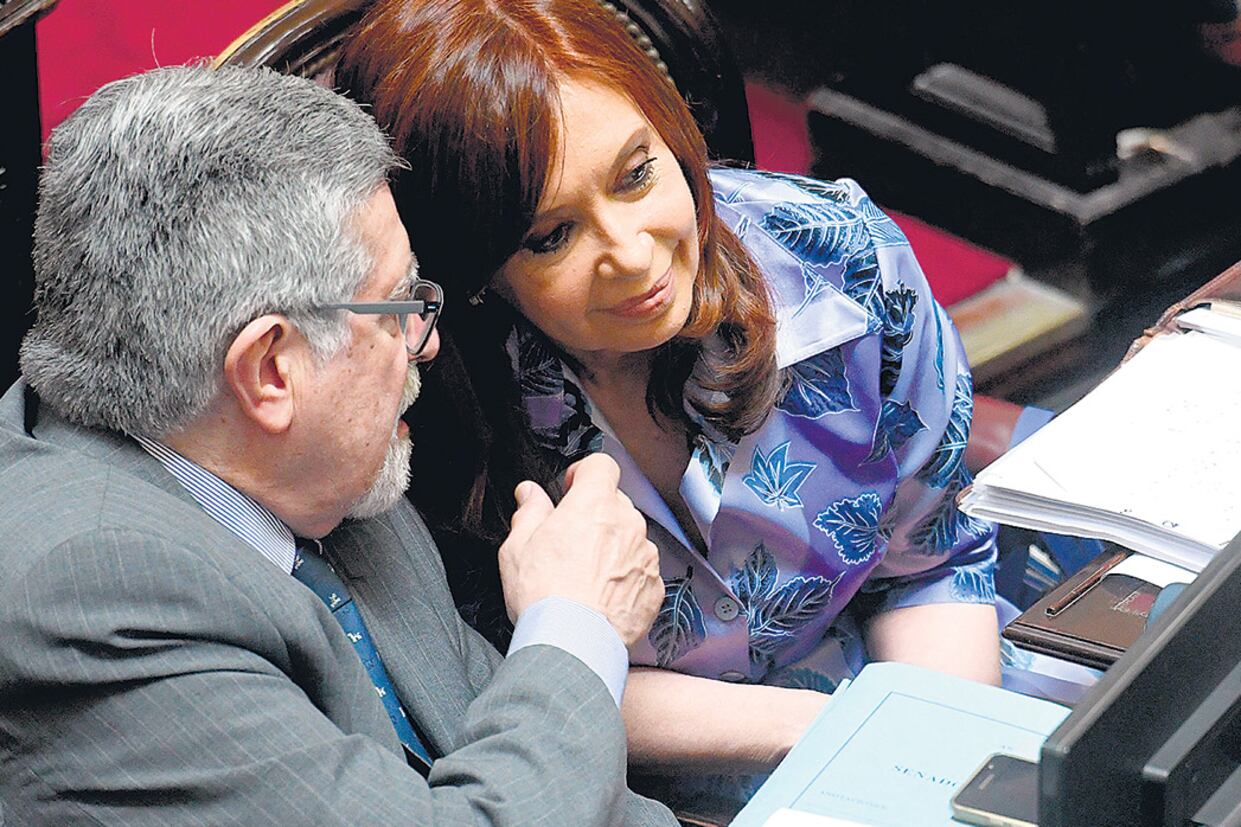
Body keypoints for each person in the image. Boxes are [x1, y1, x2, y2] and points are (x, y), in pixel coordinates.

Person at [336, 0, 1002, 783]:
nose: (631, 254)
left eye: (636, 174)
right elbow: (476, 682)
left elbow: (931, 561)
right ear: (476, 265)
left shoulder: (842, 262)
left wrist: (938, 767)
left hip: (907, 697)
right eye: (551, 236)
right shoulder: (421, 413)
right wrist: (830, 731)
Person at [0, 64, 677, 826]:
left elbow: (523, 758)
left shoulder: (299, 462)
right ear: (271, 369)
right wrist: (576, 618)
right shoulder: (91, 599)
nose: (423, 344)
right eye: (397, 306)